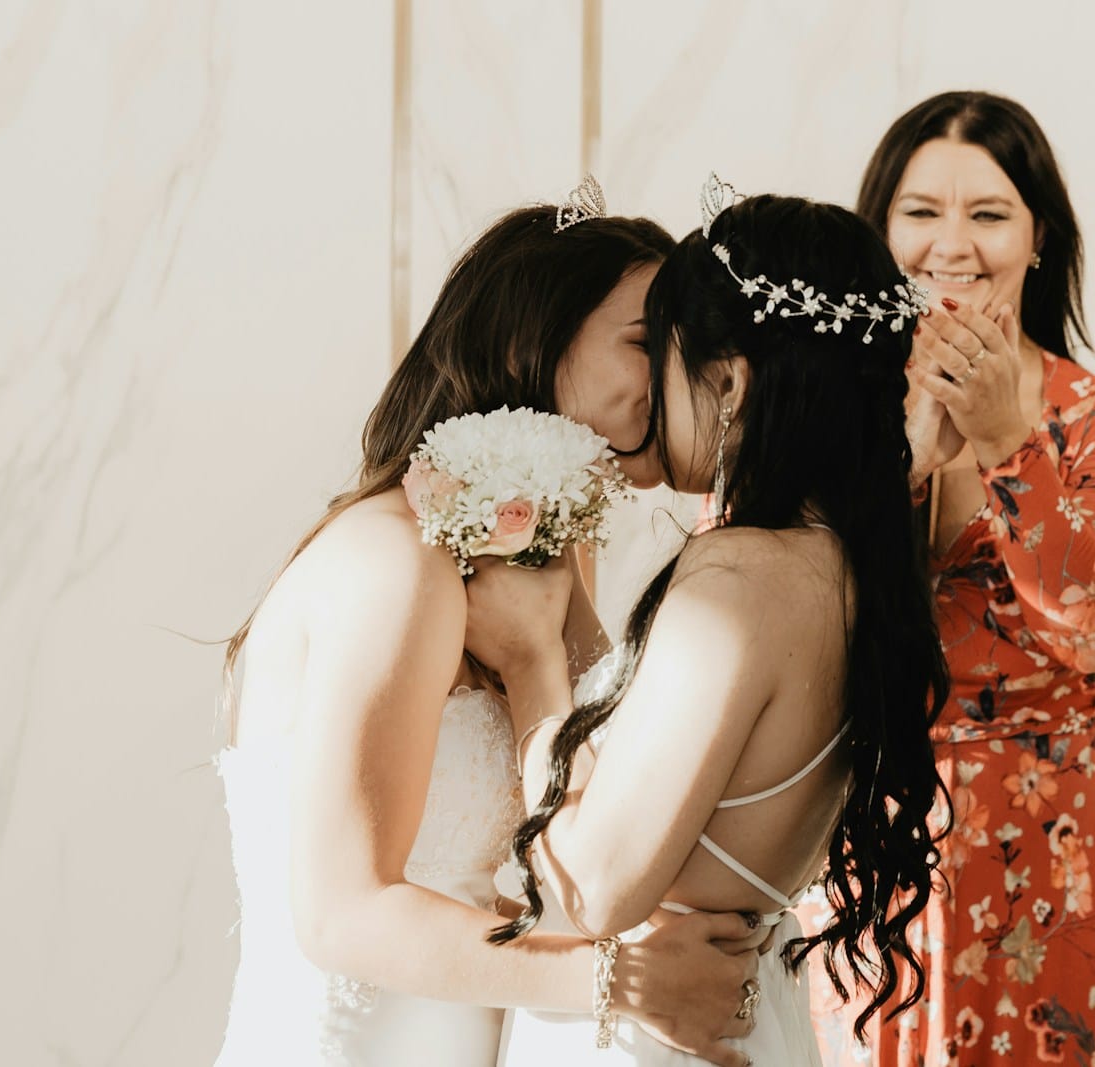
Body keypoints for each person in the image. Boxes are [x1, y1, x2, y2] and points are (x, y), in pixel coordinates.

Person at [214, 187, 763, 1067]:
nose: (668, 377)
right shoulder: (398, 562)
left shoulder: (543, 559)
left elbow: (588, 815)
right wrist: (616, 978)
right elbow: (341, 912)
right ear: (526, 338)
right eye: (640, 342)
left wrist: (540, 643)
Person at [463, 190, 951, 1065]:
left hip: (643, 1039)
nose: (650, 391)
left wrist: (530, 657)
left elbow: (599, 887)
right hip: (742, 1021)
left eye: (663, 353)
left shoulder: (737, 583)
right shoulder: (841, 568)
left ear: (729, 380)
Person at [801, 92, 1095, 1066]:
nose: (950, 244)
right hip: (857, 827)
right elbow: (765, 600)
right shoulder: (819, 415)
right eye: (920, 211)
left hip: (1043, 846)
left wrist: (1011, 440)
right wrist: (907, 463)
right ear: (879, 229)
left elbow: (1093, 620)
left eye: (988, 212)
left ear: (1039, 234)